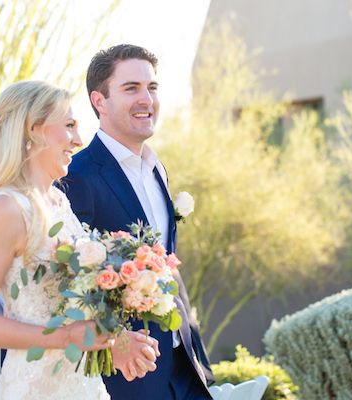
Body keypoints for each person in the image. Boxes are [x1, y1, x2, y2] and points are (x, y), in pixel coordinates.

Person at [0, 81, 159, 400]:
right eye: (69, 126)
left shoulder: (58, 202)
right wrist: (65, 337)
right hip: (32, 387)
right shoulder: (7, 208)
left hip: (82, 384)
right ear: (35, 129)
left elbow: (68, 303)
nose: (79, 140)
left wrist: (115, 339)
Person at [63, 44, 214, 400]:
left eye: (152, 88)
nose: (146, 99)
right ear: (99, 101)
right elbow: (66, 285)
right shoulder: (77, 176)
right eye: (131, 88)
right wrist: (112, 342)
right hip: (128, 376)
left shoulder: (158, 169)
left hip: (184, 366)